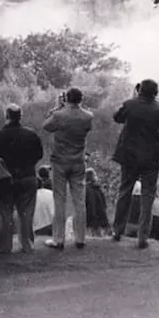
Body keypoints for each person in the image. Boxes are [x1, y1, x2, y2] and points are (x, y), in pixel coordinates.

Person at [111, 80, 159, 248]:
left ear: (140, 90)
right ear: (155, 92)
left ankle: (117, 230)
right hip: (151, 156)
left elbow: (117, 118)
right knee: (148, 195)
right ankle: (143, 236)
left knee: (125, 190)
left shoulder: (130, 104)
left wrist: (132, 98)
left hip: (129, 154)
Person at [43, 88, 95, 250]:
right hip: (78, 161)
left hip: (59, 161)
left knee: (60, 200)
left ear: (66, 98)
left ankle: (59, 239)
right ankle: (80, 238)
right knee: (79, 200)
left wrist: (57, 108)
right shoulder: (88, 116)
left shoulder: (59, 115)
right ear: (81, 99)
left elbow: (47, 126)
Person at [0, 103, 44, 254]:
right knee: (26, 213)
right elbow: (39, 155)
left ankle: (5, 246)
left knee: (5, 213)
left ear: (6, 116)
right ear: (20, 117)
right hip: (28, 177)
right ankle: (27, 244)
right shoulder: (31, 134)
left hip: (6, 180)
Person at [84, 168, 110, 236]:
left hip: (93, 216)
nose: (97, 177)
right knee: (97, 232)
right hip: (97, 215)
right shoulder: (96, 189)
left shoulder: (88, 189)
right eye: (95, 175)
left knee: (96, 232)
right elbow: (101, 203)